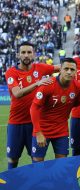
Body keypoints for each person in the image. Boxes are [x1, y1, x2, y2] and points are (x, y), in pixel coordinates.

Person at [5, 41, 60, 169]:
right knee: (13, 158)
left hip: (35, 124)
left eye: (29, 52)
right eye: (23, 52)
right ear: (18, 55)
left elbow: (61, 67)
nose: (26, 55)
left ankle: (36, 187)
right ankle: (12, 187)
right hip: (16, 123)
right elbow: (17, 93)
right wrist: (37, 83)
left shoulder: (40, 68)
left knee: (36, 158)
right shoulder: (11, 72)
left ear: (34, 54)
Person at [30, 58, 80, 162]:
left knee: (61, 164)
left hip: (61, 131)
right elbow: (34, 108)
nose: (69, 72)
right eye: (66, 69)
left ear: (76, 72)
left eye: (72, 69)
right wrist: (38, 132)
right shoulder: (48, 84)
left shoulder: (78, 86)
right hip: (43, 130)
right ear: (60, 70)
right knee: (37, 163)